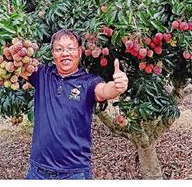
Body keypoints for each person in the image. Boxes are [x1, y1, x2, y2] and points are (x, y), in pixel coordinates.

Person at [24, 29, 128, 180]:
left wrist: (117, 87)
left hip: (74, 173)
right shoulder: (41, 74)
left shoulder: (89, 81)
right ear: (53, 53)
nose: (65, 53)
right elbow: (16, 65)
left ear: (79, 52)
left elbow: (104, 91)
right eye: (59, 49)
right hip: (38, 171)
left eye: (70, 49)